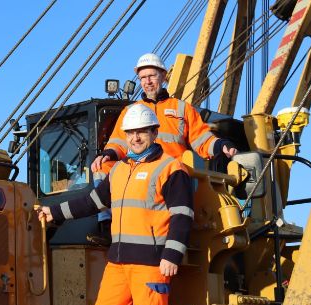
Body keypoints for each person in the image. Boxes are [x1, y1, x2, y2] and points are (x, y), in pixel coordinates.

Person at [37, 104, 194, 305]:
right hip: (118, 262)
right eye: (131, 133)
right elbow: (91, 202)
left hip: (152, 262)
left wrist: (172, 254)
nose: (136, 138)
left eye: (141, 132)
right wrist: (53, 212)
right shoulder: (119, 170)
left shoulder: (171, 168)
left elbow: (182, 215)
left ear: (153, 133)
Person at [86, 52, 235, 246]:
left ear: (163, 77)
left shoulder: (182, 109)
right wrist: (107, 154)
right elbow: (119, 143)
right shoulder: (130, 111)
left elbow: (202, 139)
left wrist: (221, 145)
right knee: (101, 167)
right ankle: (107, 226)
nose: (147, 82)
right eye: (143, 78)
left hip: (171, 174)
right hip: (140, 171)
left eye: (152, 76)